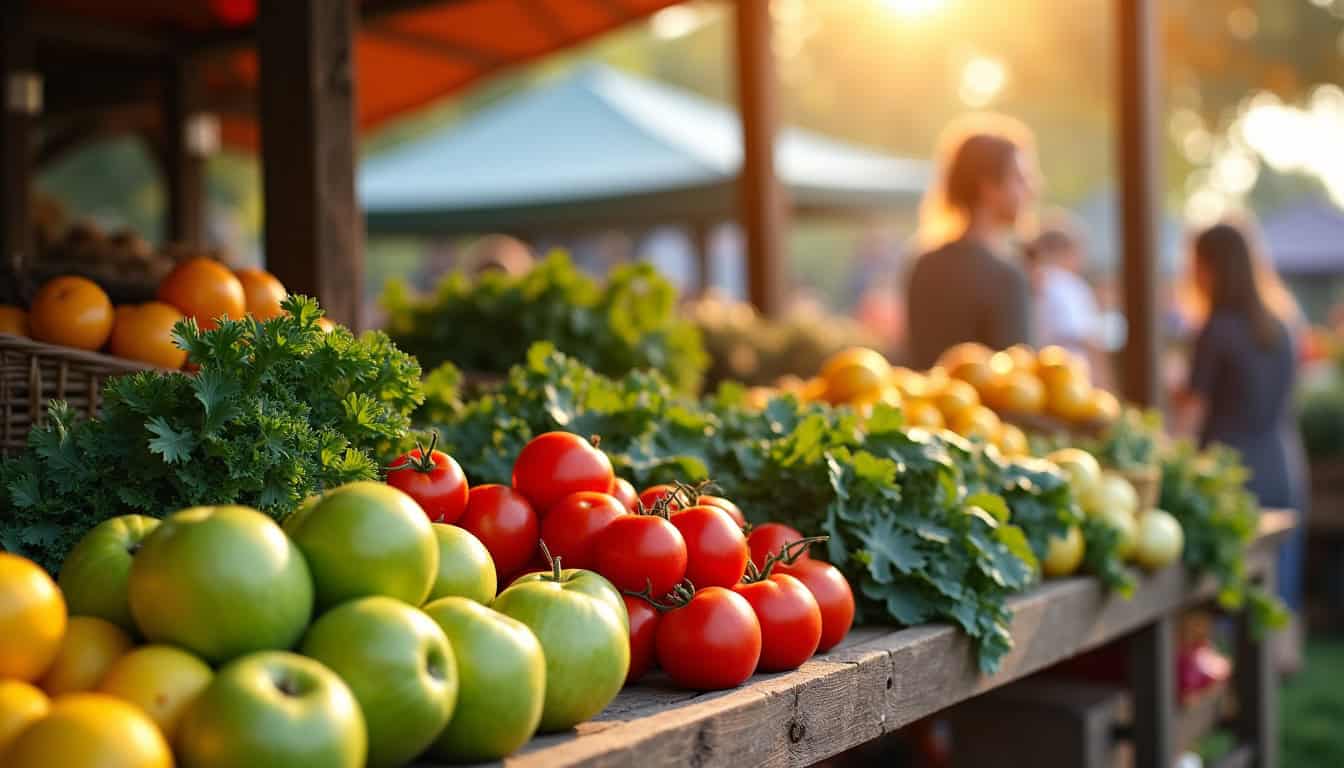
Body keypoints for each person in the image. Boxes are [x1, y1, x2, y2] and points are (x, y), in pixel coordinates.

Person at [1176, 219, 1307, 654]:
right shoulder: (1282, 326)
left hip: (1231, 476)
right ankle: (1282, 667)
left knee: (1229, 596)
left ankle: (1231, 689)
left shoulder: (1216, 329)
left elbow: (1190, 417)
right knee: (1278, 584)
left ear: (1210, 267)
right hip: (1283, 463)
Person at [906, 115, 1039, 369]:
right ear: (988, 187)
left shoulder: (923, 265)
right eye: (1020, 179)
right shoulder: (1006, 276)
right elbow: (1019, 384)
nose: (1031, 190)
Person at [1026, 219, 1113, 387]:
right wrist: (1104, 381)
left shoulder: (1033, 281)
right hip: (1069, 380)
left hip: (1038, 379)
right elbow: (1086, 337)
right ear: (1065, 251)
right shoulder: (1064, 284)